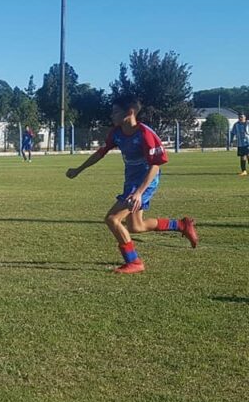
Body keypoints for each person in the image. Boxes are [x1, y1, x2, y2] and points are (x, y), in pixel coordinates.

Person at [65, 94, 198, 274]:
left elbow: (155, 166)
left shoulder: (145, 134)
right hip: (131, 184)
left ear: (129, 112)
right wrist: (79, 169)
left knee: (112, 219)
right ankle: (181, 225)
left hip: (145, 183)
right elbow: (101, 153)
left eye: (115, 112)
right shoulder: (117, 132)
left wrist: (139, 193)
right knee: (136, 226)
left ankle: (134, 261)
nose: (112, 115)